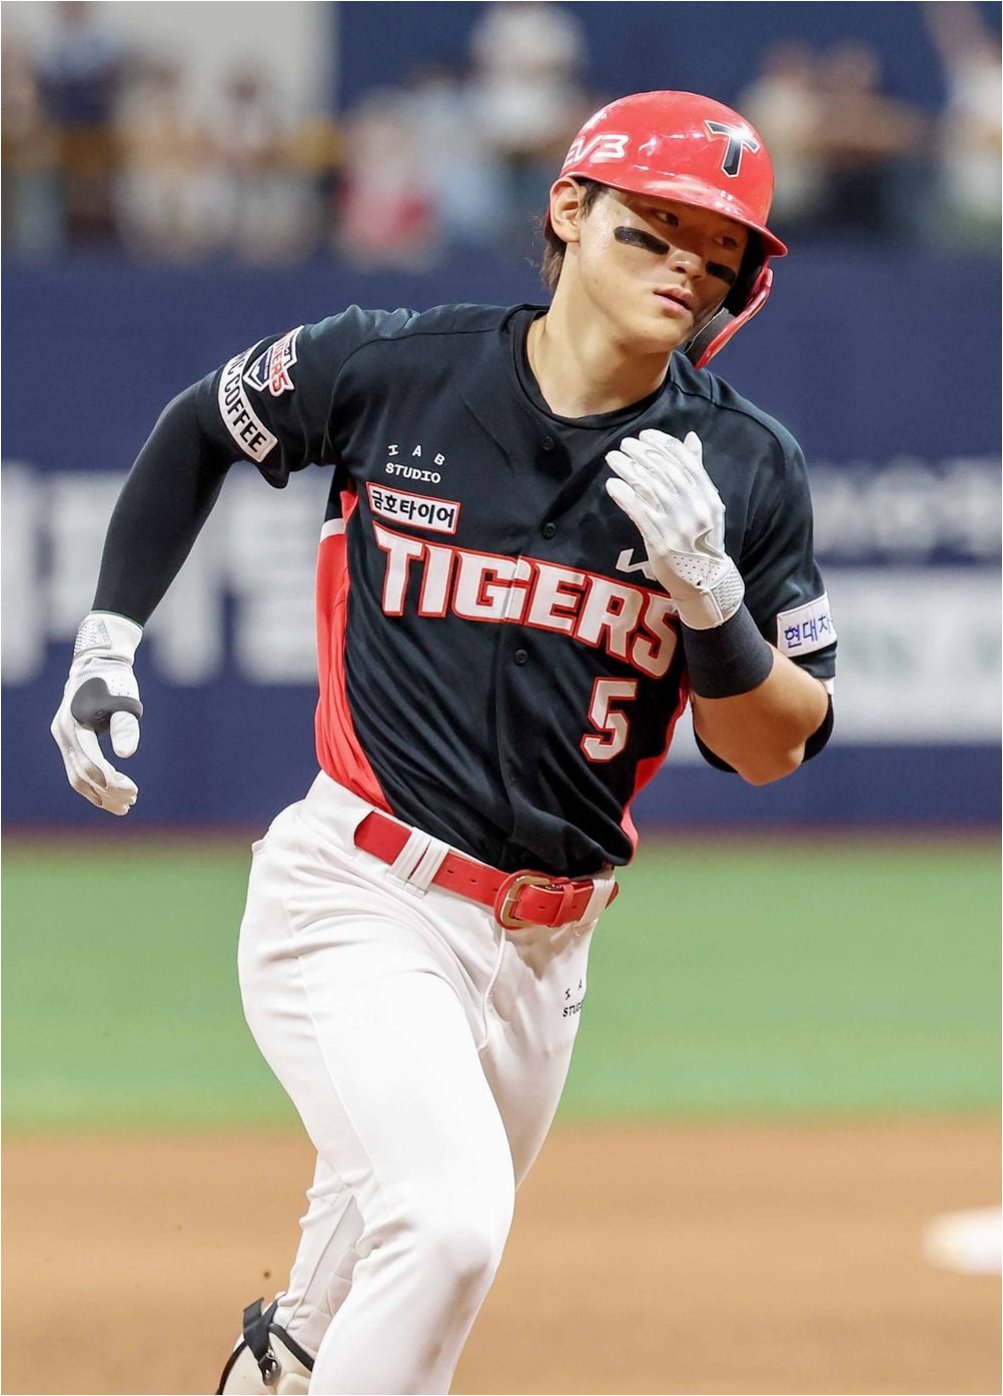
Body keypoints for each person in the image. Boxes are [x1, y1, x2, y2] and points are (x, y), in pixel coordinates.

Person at [51, 90, 837, 1395]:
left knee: (344, 1302)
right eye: (656, 226)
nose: (687, 266)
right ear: (571, 208)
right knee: (452, 1222)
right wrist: (106, 641)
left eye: (719, 249)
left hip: (548, 956)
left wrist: (716, 609)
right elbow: (203, 425)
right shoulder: (399, 366)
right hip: (360, 893)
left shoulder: (743, 468)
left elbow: (774, 746)